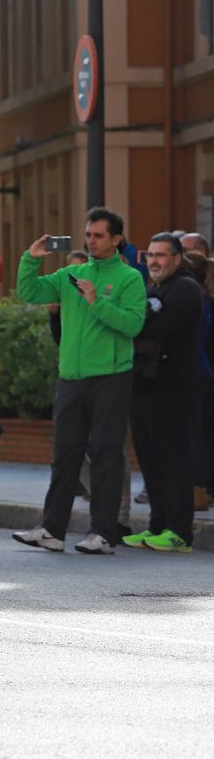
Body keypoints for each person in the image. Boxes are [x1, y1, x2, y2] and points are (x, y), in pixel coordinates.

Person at [13, 207, 147, 554]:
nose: (91, 240)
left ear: (116, 239)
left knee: (105, 455)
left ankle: (103, 533)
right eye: (88, 234)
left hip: (111, 379)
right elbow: (29, 292)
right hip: (71, 379)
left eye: (98, 235)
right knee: (65, 455)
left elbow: (133, 325)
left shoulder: (130, 278)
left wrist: (96, 301)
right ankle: (52, 530)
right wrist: (31, 258)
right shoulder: (71, 274)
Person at [121, 234, 205, 552]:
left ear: (177, 258)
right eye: (150, 255)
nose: (154, 261)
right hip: (146, 386)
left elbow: (151, 326)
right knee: (151, 461)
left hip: (174, 389)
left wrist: (137, 318)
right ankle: (158, 526)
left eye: (161, 256)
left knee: (174, 461)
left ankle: (179, 532)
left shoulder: (185, 288)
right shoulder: (156, 288)